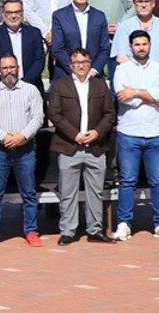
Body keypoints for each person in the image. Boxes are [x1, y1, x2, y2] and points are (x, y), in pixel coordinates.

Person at [45, 47, 116, 244]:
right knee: (68, 192)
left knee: (96, 191)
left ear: (90, 63)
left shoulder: (100, 85)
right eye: (76, 63)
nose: (80, 66)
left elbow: (110, 114)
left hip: (95, 146)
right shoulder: (60, 85)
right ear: (70, 66)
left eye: (84, 62)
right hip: (69, 146)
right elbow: (55, 114)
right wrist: (74, 134)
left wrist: (97, 132)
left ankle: (95, 229)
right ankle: (68, 230)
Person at [112, 30, 159, 241]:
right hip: (129, 133)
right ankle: (124, 223)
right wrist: (150, 95)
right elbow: (123, 97)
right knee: (127, 181)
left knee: (157, 181)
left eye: (144, 44)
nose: (141, 47)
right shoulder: (122, 69)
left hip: (156, 132)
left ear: (150, 45)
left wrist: (137, 92)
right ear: (131, 47)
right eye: (137, 44)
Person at [0, 53, 44, 246]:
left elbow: (37, 118)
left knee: (29, 192)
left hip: (25, 148)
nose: (9, 71)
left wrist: (22, 136)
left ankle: (31, 231)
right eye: (5, 68)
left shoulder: (31, 90)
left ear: (18, 68)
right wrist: (5, 136)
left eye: (12, 67)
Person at [50, 0, 111, 80]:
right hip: (67, 75)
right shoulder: (59, 16)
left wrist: (94, 70)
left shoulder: (99, 16)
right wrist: (75, 70)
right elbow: (57, 48)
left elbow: (105, 48)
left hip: (93, 76)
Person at [0, 0, 48, 89]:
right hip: (1, 87)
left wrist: (24, 83)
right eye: (9, 12)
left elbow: (39, 60)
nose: (13, 16)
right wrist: (7, 82)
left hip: (30, 85)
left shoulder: (34, 33)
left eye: (17, 12)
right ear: (3, 14)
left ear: (22, 13)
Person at [110, 0, 159, 71]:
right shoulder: (124, 27)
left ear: (153, 3)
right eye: (139, 2)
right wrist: (141, 74)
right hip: (133, 78)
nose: (143, 5)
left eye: (147, 1)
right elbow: (121, 57)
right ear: (134, 4)